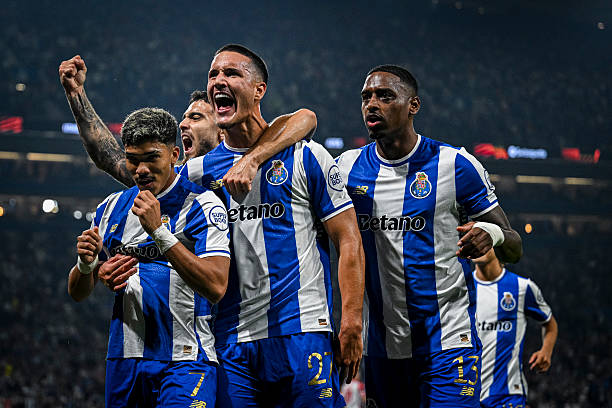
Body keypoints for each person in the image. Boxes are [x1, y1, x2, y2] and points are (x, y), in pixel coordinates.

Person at [177, 43, 364, 407]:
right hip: (230, 340)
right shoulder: (196, 175)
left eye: (231, 73)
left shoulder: (306, 155)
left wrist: (352, 320)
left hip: (302, 329)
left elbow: (348, 239)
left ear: (259, 89)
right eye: (213, 74)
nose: (218, 81)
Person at [335, 65, 523, 408]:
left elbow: (514, 246)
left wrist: (491, 233)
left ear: (413, 105)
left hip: (448, 341)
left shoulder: (455, 165)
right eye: (366, 97)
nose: (372, 104)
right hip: (382, 347)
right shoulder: (346, 168)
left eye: (385, 96)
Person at [67, 107, 231, 407]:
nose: (141, 169)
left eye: (151, 158)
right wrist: (86, 264)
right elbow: (77, 292)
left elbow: (217, 285)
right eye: (133, 159)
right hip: (124, 360)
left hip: (186, 358)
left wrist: (158, 231)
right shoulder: (111, 208)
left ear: (174, 155)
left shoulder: (203, 205)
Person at [58, 55, 317, 198]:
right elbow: (112, 159)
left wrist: (251, 160)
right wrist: (76, 94)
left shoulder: (275, 154)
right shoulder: (187, 175)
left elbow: (305, 118)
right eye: (184, 117)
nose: (182, 124)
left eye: (195, 117)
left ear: (222, 127)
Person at [473, 248, 558, 408]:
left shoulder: (522, 287)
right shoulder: (462, 289)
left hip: (508, 395)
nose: (477, 245)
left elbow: (550, 323)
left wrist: (546, 351)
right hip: (468, 395)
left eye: (484, 239)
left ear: (498, 245)